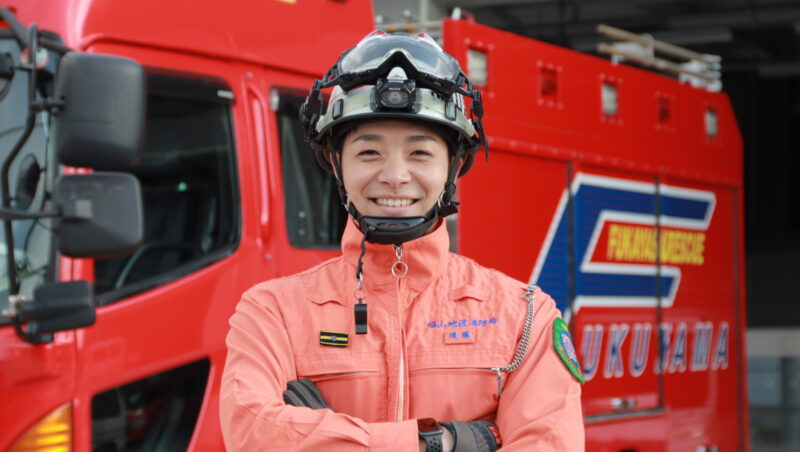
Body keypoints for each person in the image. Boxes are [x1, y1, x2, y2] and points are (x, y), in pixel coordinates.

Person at [220, 31, 584, 451]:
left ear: (454, 165)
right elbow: (252, 434)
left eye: (419, 153)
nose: (394, 175)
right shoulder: (272, 313)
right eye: (369, 153)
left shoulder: (525, 317)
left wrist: (322, 435)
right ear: (336, 164)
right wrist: (441, 442)